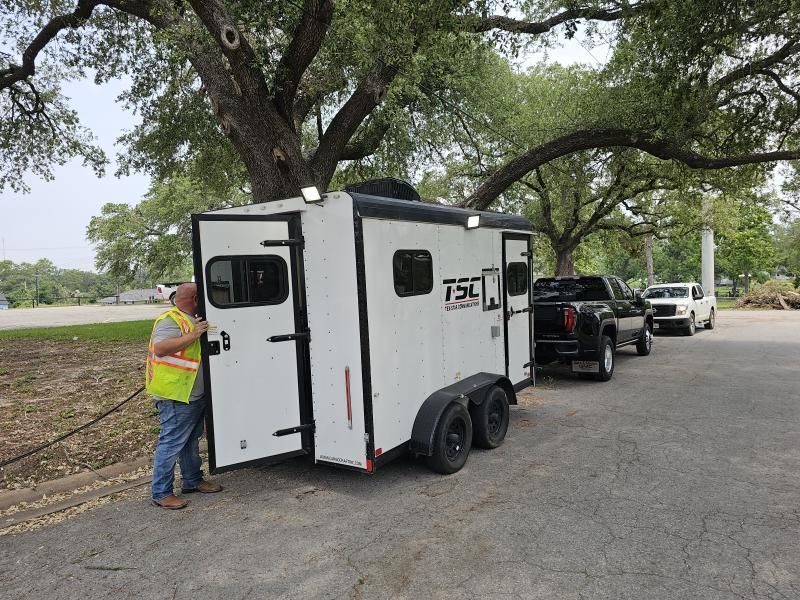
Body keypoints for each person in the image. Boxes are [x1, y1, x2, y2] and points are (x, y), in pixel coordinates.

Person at [146, 283, 222, 509]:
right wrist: (195, 334)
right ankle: (161, 492)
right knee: (171, 444)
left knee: (190, 441)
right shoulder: (170, 319)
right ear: (196, 297)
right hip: (176, 395)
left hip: (192, 393)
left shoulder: (190, 318)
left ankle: (192, 480)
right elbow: (161, 348)